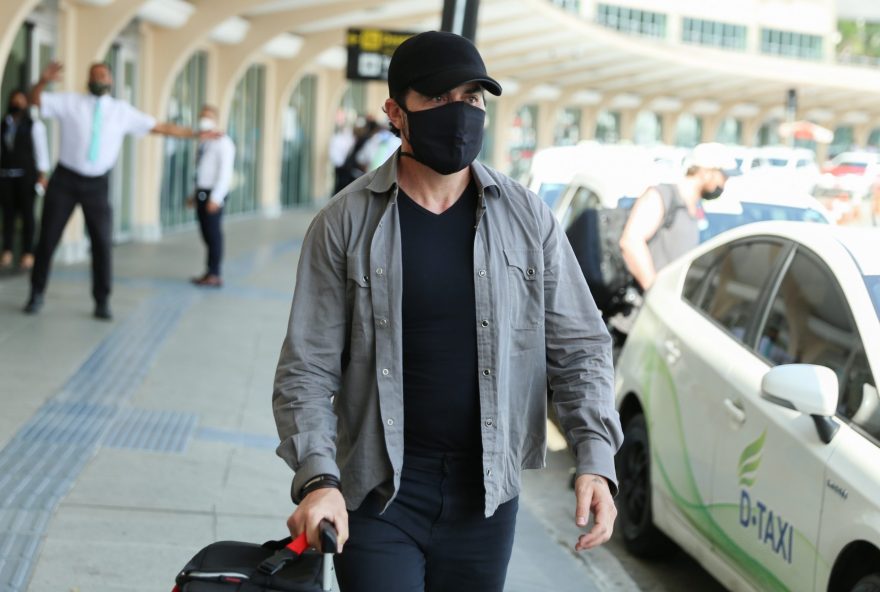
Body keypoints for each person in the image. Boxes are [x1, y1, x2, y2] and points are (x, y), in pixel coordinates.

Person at [273, 31, 622, 592]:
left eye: (473, 98)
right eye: (438, 99)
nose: (460, 113)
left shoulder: (528, 219)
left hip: (487, 497)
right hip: (377, 495)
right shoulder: (343, 224)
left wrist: (595, 457)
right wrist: (318, 479)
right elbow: (306, 368)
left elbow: (580, 346)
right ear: (395, 112)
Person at [24, 61, 209, 320]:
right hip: (64, 181)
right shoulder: (69, 102)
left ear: (111, 80)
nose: (99, 79)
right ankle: (36, 293)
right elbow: (35, 101)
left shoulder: (121, 111)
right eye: (94, 75)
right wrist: (43, 80)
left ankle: (102, 300)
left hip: (97, 184)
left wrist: (195, 134)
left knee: (102, 242)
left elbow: (160, 127)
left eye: (103, 75)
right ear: (88, 80)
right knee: (48, 239)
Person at [619, 142, 734, 292]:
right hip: (644, 305)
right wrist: (654, 291)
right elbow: (630, 242)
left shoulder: (692, 207)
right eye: (723, 176)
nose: (724, 183)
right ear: (706, 173)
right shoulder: (662, 196)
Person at [186, 105, 235, 288]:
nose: (203, 120)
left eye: (207, 116)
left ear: (215, 119)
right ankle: (209, 271)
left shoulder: (224, 143)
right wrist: (194, 193)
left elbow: (225, 173)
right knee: (205, 233)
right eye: (201, 116)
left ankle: (215, 274)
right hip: (201, 191)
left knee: (213, 235)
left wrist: (216, 197)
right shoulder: (204, 142)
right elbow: (201, 169)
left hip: (213, 194)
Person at [1, 90, 49, 271]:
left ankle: (28, 252)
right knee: (8, 215)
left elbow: (41, 151)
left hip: (26, 177)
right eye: (14, 101)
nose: (17, 104)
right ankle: (7, 250)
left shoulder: (33, 126)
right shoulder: (5, 124)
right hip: (6, 175)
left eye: (20, 101)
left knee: (28, 215)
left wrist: (42, 175)